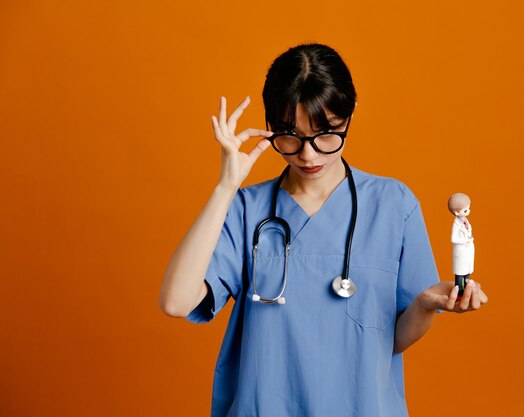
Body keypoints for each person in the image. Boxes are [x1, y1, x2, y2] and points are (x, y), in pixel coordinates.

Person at [159, 43, 488, 417]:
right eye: (289, 136)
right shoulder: (245, 209)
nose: (308, 155)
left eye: (327, 133)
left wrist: (425, 306)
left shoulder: (393, 205)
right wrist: (225, 188)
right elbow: (176, 302)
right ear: (269, 128)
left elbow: (390, 340)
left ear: (349, 116)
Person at [448, 192, 475, 296]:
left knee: (467, 272)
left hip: (467, 250)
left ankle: (468, 289)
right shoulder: (456, 224)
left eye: (468, 208)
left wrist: (469, 239)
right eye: (465, 210)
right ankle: (460, 293)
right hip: (461, 252)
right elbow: (453, 239)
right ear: (457, 212)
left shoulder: (466, 221)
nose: (468, 211)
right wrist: (465, 241)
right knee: (460, 275)